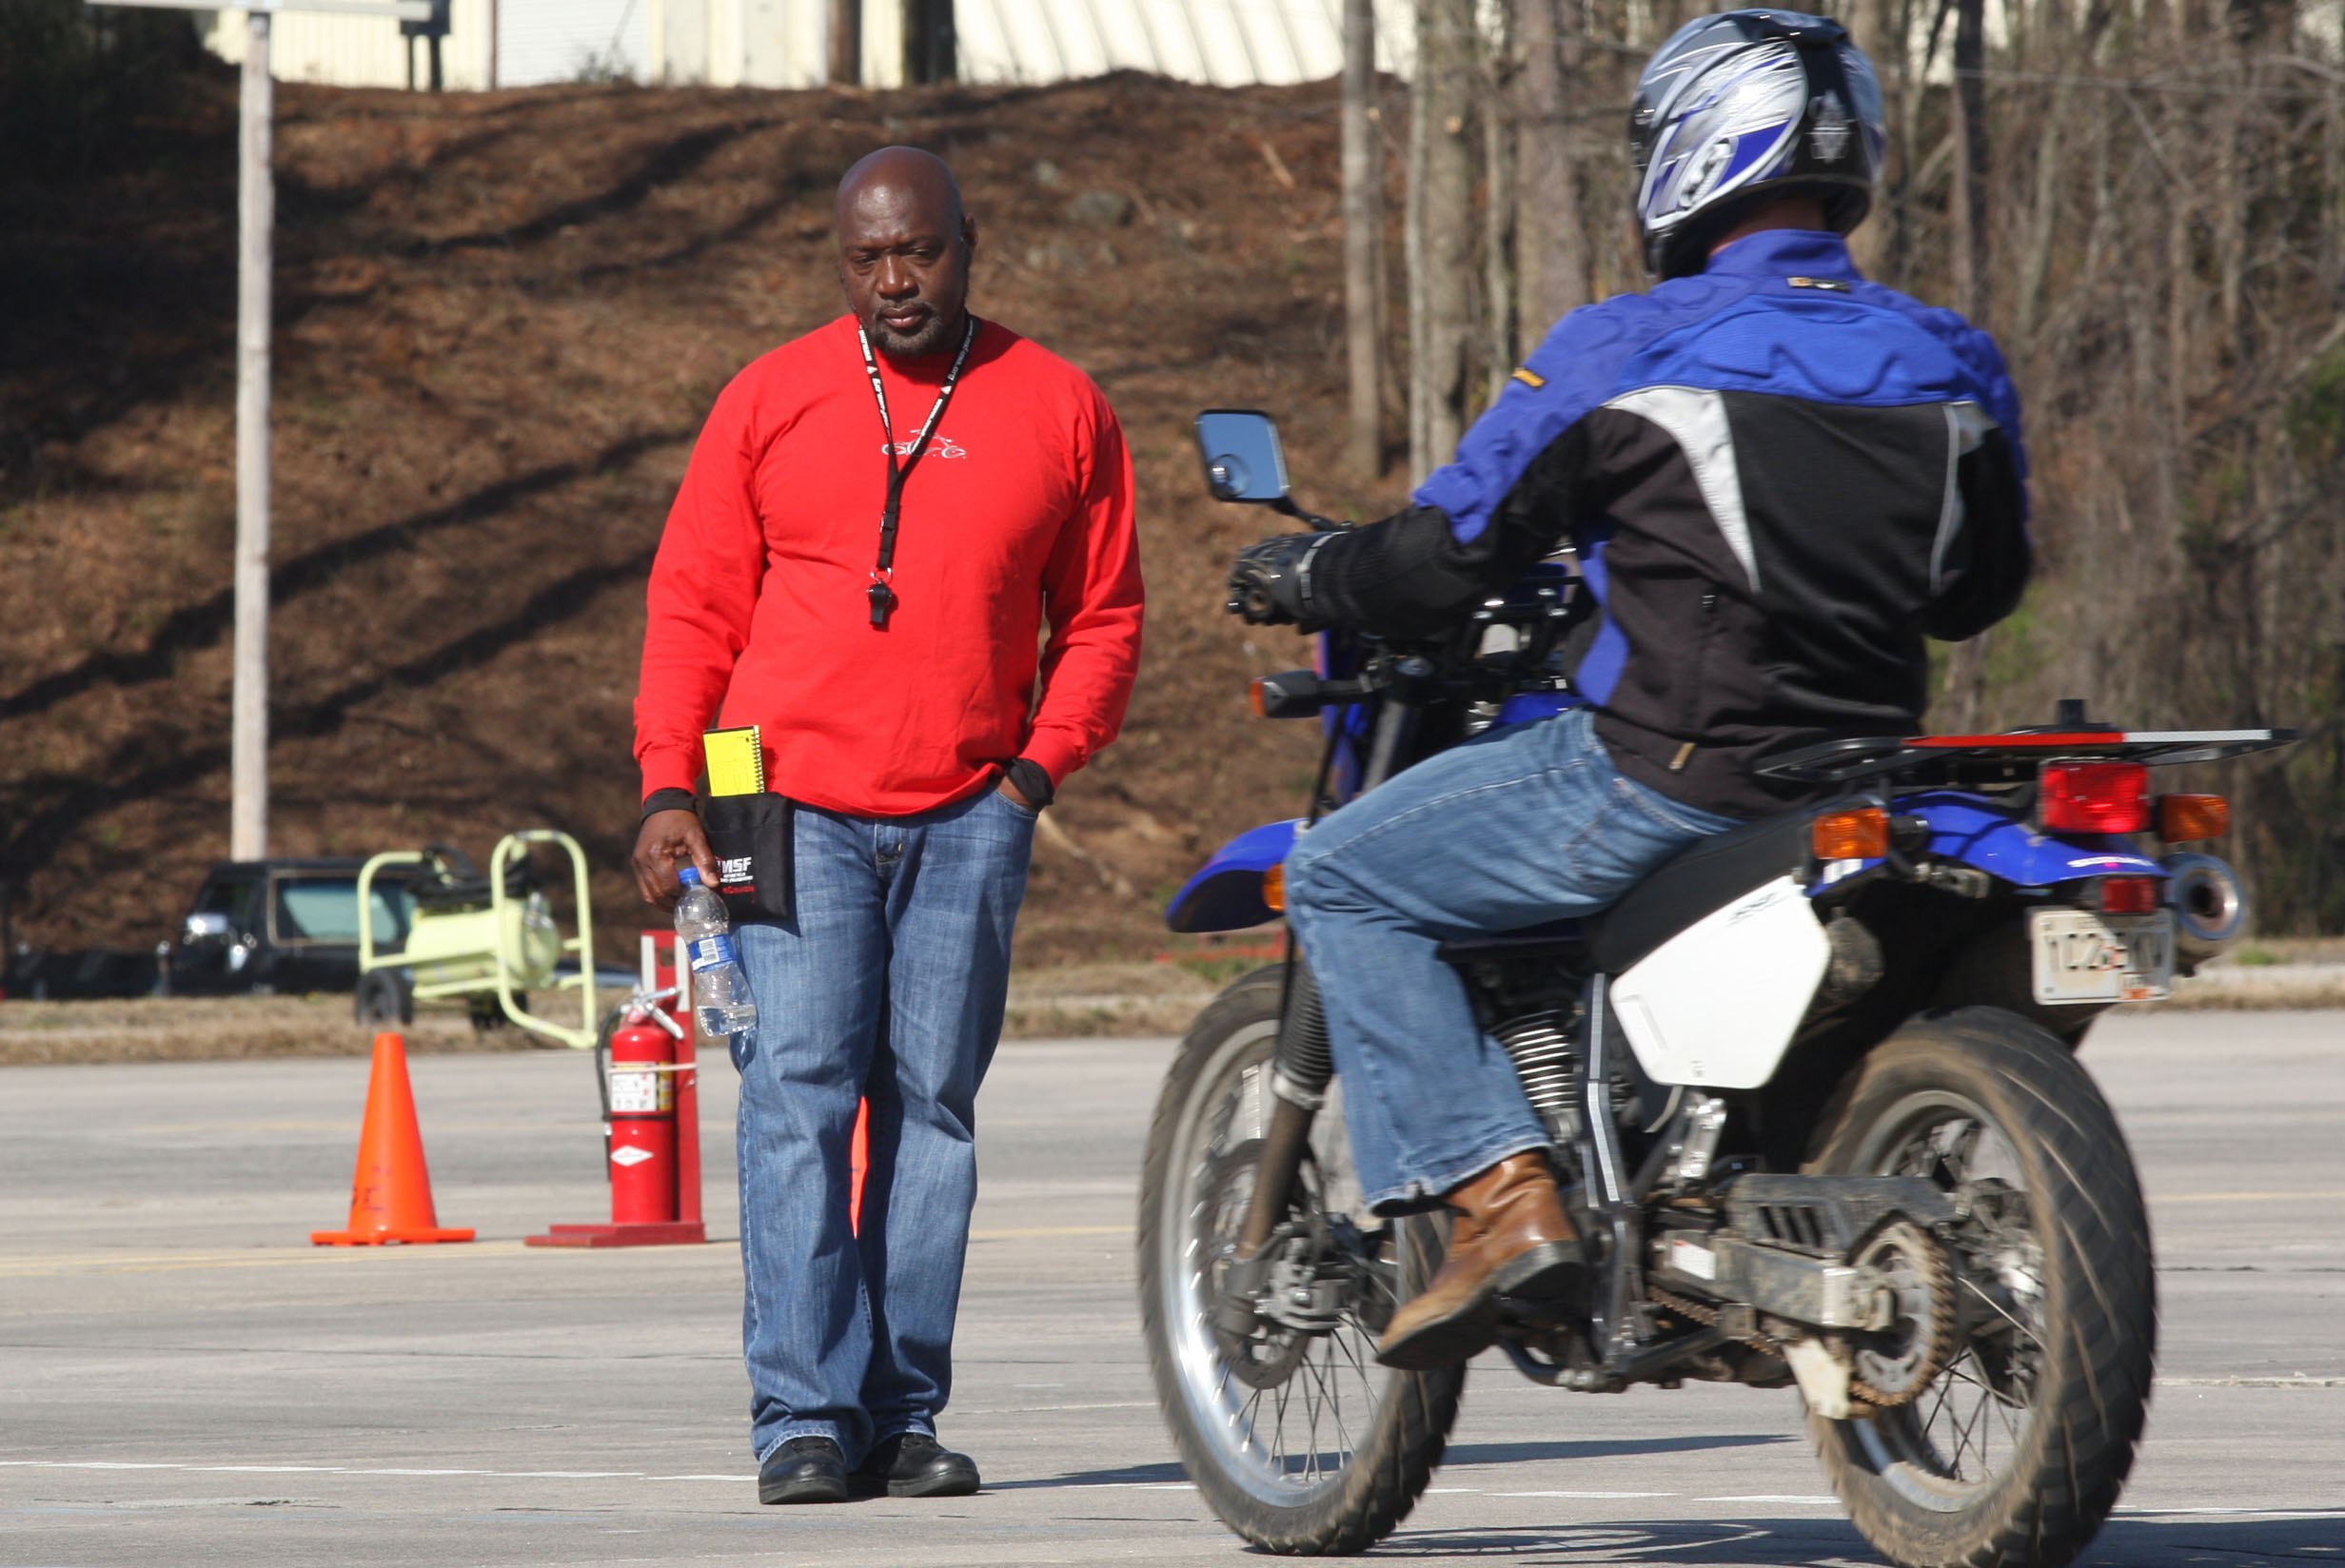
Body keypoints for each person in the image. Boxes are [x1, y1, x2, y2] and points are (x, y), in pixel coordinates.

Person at [1225, 11, 2030, 1373]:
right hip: (1865, 776)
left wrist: (1314, 571)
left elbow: (1443, 558)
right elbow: (1976, 590)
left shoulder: (1627, 347)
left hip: (1669, 772)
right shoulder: (1951, 357)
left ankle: (1496, 1200)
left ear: (1699, 150)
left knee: (1347, 878)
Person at [630, 147, 1144, 1503]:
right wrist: (668, 785)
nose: (895, 279)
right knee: (797, 1098)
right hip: (779, 799)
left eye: (918, 251)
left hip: (971, 808)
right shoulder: (770, 398)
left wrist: (1034, 772)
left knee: (934, 1113)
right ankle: (802, 1415)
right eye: (868, 258)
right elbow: (693, 605)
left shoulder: (1059, 406)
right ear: (839, 260)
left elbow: (1102, 617)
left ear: (969, 244)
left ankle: (902, 1411)